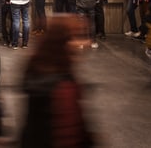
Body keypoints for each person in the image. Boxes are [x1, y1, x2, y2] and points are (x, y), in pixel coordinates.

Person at [20, 14, 95, 147]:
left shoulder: (36, 70)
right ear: (63, 42)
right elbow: (68, 134)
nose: (83, 44)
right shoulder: (63, 87)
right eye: (76, 37)